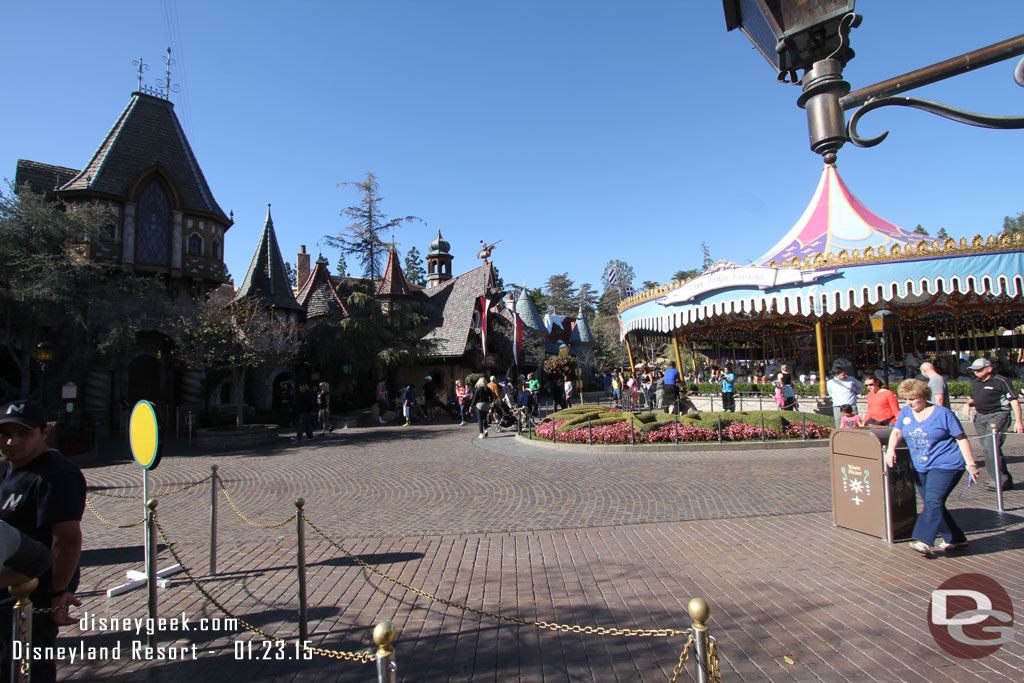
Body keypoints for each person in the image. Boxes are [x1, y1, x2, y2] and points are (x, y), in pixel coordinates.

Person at [0, 399, 86, 682]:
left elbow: (67, 541)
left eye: (24, 433)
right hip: (6, 584)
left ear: (44, 432)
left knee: (29, 665)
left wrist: (58, 592)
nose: (12, 441)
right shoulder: (6, 468)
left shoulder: (55, 474)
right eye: (5, 434)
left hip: (34, 592)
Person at [885, 379, 979, 556]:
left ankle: (923, 539)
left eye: (913, 399)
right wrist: (891, 450)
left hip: (946, 463)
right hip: (921, 465)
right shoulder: (906, 413)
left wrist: (971, 464)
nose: (909, 403)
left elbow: (961, 438)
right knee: (933, 502)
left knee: (933, 501)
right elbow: (897, 432)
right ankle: (956, 538)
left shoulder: (943, 414)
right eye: (906, 399)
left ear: (923, 396)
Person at [964, 357, 1020, 491]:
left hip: (997, 415)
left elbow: (1014, 401)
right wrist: (967, 405)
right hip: (980, 417)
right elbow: (973, 397)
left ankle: (999, 480)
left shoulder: (1001, 381)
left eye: (979, 370)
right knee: (989, 449)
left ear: (989, 369)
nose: (976, 372)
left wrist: (1018, 421)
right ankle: (1004, 478)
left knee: (991, 447)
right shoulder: (977, 382)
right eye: (974, 370)